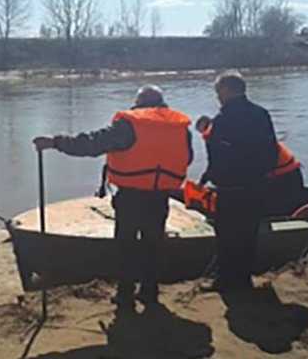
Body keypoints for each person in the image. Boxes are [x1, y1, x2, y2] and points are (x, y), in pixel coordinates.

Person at [33, 85, 193, 309]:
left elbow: (93, 143)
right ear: (162, 103)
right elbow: (187, 157)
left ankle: (125, 294)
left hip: (131, 197)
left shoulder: (130, 124)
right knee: (153, 244)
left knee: (126, 246)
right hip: (160, 195)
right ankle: (149, 291)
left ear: (138, 104)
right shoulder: (179, 127)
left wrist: (55, 142)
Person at [199, 72, 278, 292]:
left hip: (230, 187)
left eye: (218, 92)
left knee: (226, 236)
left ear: (227, 90)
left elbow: (217, 156)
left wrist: (210, 178)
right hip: (256, 185)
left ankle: (225, 280)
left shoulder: (223, 120)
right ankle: (243, 280)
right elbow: (272, 151)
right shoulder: (261, 114)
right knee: (248, 235)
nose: (217, 97)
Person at [197, 115, 304, 217]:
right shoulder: (242, 131)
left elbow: (217, 165)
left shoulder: (217, 137)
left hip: (280, 179)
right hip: (291, 173)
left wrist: (202, 182)